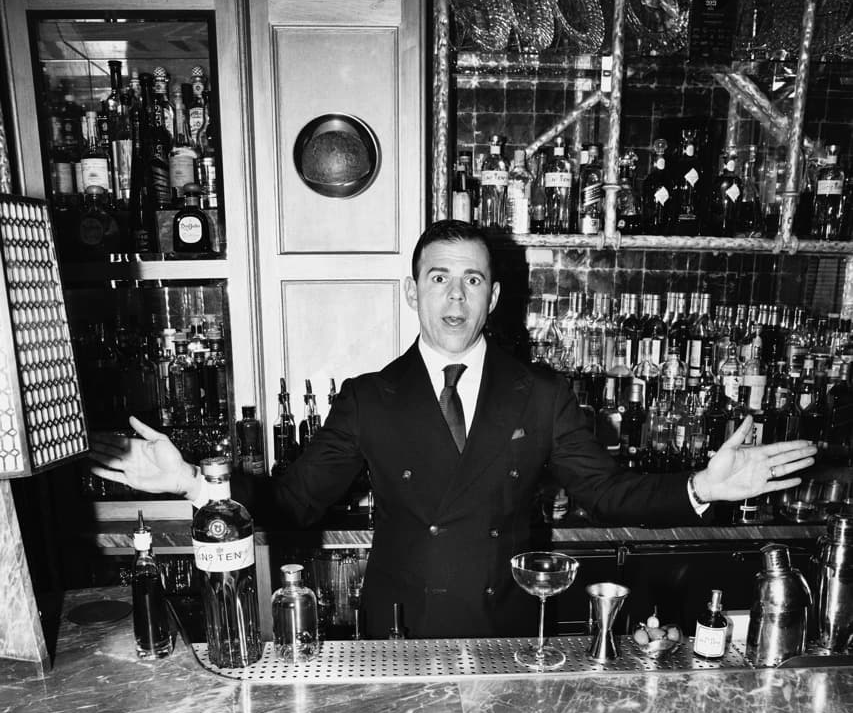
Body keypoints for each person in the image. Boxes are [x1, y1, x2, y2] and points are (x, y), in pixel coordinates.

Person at [90, 219, 816, 639]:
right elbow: (290, 503)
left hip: (505, 627)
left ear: (493, 296)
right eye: (438, 277)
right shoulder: (370, 399)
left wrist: (701, 486)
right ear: (412, 291)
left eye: (471, 279)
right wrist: (191, 482)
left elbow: (608, 494)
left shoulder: (539, 394)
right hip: (399, 631)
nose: (454, 294)